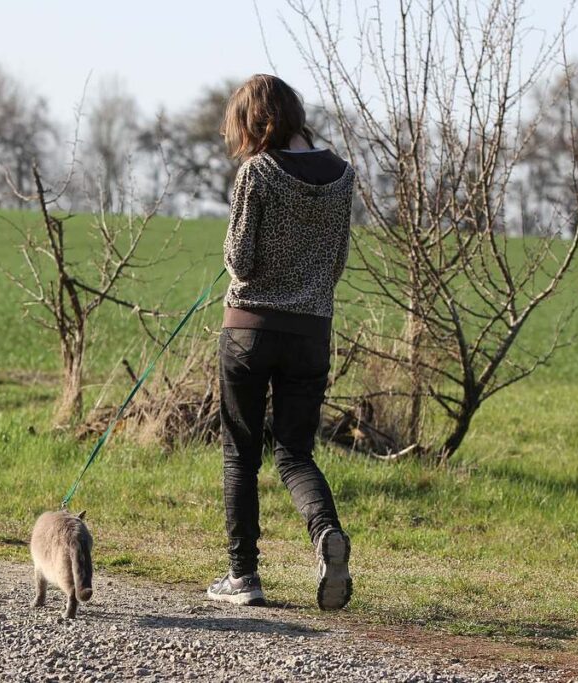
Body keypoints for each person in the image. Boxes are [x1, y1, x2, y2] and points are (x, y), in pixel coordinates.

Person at [206, 74, 354, 611]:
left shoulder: (258, 172)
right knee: (295, 453)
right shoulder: (343, 175)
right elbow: (336, 264)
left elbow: (240, 260)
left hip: (249, 328)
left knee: (240, 456)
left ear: (253, 120)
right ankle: (326, 535)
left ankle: (243, 577)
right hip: (311, 332)